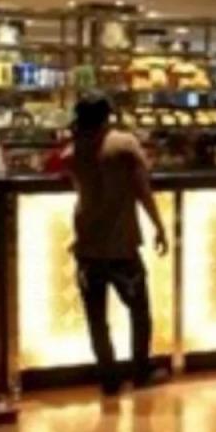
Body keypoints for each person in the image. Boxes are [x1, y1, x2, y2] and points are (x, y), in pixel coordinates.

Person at [60, 93, 168, 395]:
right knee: (139, 312)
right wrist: (159, 226)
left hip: (87, 245)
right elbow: (142, 189)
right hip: (121, 246)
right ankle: (140, 370)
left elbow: (72, 179)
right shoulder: (124, 144)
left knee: (97, 318)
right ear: (107, 116)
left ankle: (108, 377)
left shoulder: (72, 151)